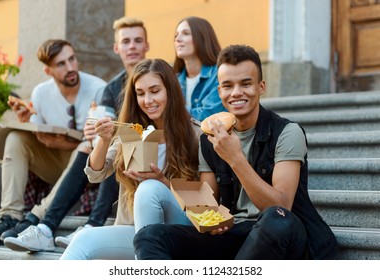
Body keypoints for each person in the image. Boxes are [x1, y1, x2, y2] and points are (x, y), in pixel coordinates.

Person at [133, 45, 339, 260]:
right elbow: (208, 203)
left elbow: (281, 205)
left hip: (284, 236)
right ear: (219, 91)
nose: (236, 92)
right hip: (235, 234)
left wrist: (235, 158)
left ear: (261, 87)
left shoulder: (286, 132)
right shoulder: (209, 138)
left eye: (246, 84)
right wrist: (165, 183)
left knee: (275, 218)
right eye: (228, 86)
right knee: (149, 236)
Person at [2, 17, 150, 252]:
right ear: (116, 48)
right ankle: (38, 226)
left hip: (145, 155)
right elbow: (98, 129)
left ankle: (85, 222)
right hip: (91, 162)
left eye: (137, 40)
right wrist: (98, 133)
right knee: (96, 143)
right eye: (126, 41)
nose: (132, 46)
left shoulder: (160, 76)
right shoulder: (111, 88)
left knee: (112, 143)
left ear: (147, 46)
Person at [59, 58, 199, 259]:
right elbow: (95, 174)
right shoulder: (131, 132)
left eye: (155, 91)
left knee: (149, 188)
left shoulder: (196, 134)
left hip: (179, 229)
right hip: (135, 230)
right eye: (140, 93)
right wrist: (104, 140)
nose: (147, 100)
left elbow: (205, 198)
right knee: (83, 239)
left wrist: (162, 182)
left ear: (170, 90)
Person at [0, 39, 106, 245]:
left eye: (72, 59)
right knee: (17, 137)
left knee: (84, 146)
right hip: (54, 165)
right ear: (48, 71)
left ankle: (36, 216)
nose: (70, 68)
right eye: (61, 64)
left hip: (90, 171)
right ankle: (10, 217)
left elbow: (100, 145)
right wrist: (26, 121)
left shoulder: (98, 88)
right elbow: (38, 133)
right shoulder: (41, 93)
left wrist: (63, 144)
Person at [173, 16, 225, 121]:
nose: (178, 39)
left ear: (203, 38)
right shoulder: (174, 79)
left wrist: (171, 111)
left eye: (186, 33)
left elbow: (209, 115)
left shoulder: (220, 74)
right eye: (176, 35)